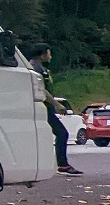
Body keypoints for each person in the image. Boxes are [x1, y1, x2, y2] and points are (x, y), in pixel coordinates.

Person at [28, 43, 81, 175]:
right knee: (62, 133)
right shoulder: (36, 69)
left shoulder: (38, 67)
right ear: (42, 55)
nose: (50, 56)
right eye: (49, 53)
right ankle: (62, 165)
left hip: (45, 107)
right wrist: (57, 104)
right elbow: (42, 90)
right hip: (43, 107)